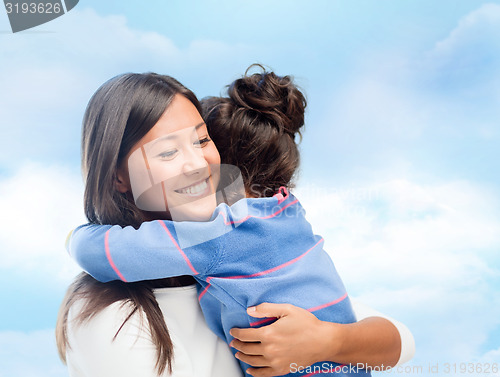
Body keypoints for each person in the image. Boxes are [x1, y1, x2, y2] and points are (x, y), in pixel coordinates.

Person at [56, 71, 414, 377]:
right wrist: (334, 343)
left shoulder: (222, 244)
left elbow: (401, 339)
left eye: (201, 140)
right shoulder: (112, 313)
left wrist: (328, 340)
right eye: (168, 152)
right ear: (118, 177)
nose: (197, 163)